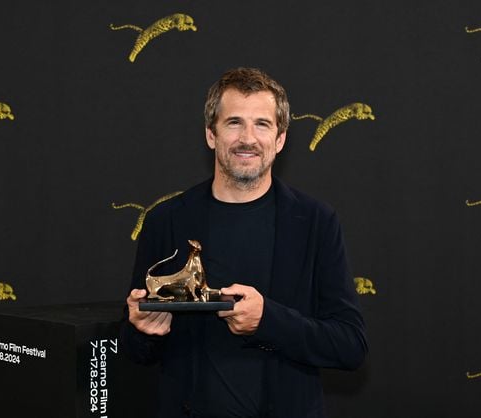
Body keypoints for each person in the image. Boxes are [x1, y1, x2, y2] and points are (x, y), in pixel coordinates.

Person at [120, 67, 368, 418]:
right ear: (211, 134)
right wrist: (144, 330)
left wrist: (267, 319)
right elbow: (136, 352)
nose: (247, 139)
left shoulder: (315, 222)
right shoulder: (167, 220)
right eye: (234, 122)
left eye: (262, 124)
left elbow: (350, 346)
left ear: (280, 139)